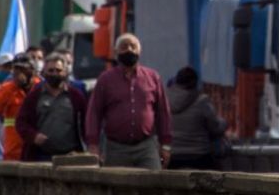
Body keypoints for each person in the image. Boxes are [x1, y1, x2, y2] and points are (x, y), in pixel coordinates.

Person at [85, 33, 172, 169]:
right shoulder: (105, 79)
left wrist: (165, 144)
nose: (129, 50)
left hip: (146, 147)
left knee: (154, 186)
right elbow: (94, 113)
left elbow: (163, 112)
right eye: (124, 46)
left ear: (139, 51)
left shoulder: (153, 77)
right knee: (117, 188)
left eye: (133, 46)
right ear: (116, 52)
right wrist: (93, 144)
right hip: (116, 149)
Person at [16, 52, 87, 162]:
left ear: (65, 72)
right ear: (43, 72)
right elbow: (21, 122)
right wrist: (33, 136)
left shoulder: (76, 96)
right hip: (40, 156)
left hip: (70, 156)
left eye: (58, 70)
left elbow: (86, 124)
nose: (54, 73)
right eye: (51, 70)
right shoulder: (34, 95)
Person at [166, 66, 227, 170]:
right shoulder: (202, 101)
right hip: (199, 156)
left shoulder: (165, 99)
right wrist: (224, 123)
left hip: (173, 156)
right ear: (195, 83)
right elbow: (215, 128)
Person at [0, 54, 39, 161]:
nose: (17, 72)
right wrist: (11, 88)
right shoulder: (7, 88)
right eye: (15, 68)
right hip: (13, 150)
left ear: (32, 71)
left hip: (37, 148)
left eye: (22, 69)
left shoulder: (41, 87)